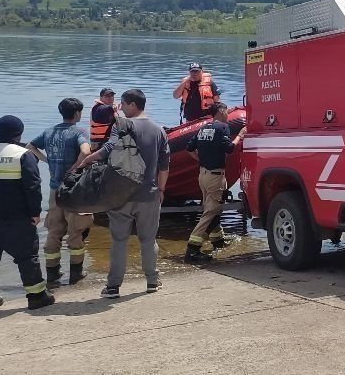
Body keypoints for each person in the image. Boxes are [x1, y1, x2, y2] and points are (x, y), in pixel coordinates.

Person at [76, 89, 170, 298]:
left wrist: (89, 159)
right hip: (149, 193)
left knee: (119, 241)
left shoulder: (122, 125)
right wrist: (161, 190)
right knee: (148, 239)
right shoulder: (159, 130)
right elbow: (164, 165)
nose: (121, 108)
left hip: (120, 195)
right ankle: (152, 282)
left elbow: (109, 148)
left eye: (124, 104)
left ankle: (113, 287)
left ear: (133, 105)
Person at [0, 115, 54, 311]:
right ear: (19, 134)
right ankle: (36, 296)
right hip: (17, 218)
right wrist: (35, 212)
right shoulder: (23, 155)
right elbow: (33, 186)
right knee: (27, 256)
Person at [27, 98, 93, 288]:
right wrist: (75, 167)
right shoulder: (79, 131)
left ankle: (53, 275)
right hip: (74, 190)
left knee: (54, 230)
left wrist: (46, 160)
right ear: (78, 114)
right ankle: (76, 274)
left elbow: (30, 146)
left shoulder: (49, 132)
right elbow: (86, 151)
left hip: (55, 188)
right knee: (76, 230)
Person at [184, 102, 246, 263]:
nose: (227, 115)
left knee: (213, 208)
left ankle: (217, 240)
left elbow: (189, 148)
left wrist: (202, 161)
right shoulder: (222, 128)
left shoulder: (204, 128)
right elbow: (229, 148)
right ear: (221, 111)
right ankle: (192, 249)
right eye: (226, 111)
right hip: (215, 176)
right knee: (211, 212)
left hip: (203, 175)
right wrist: (240, 135)